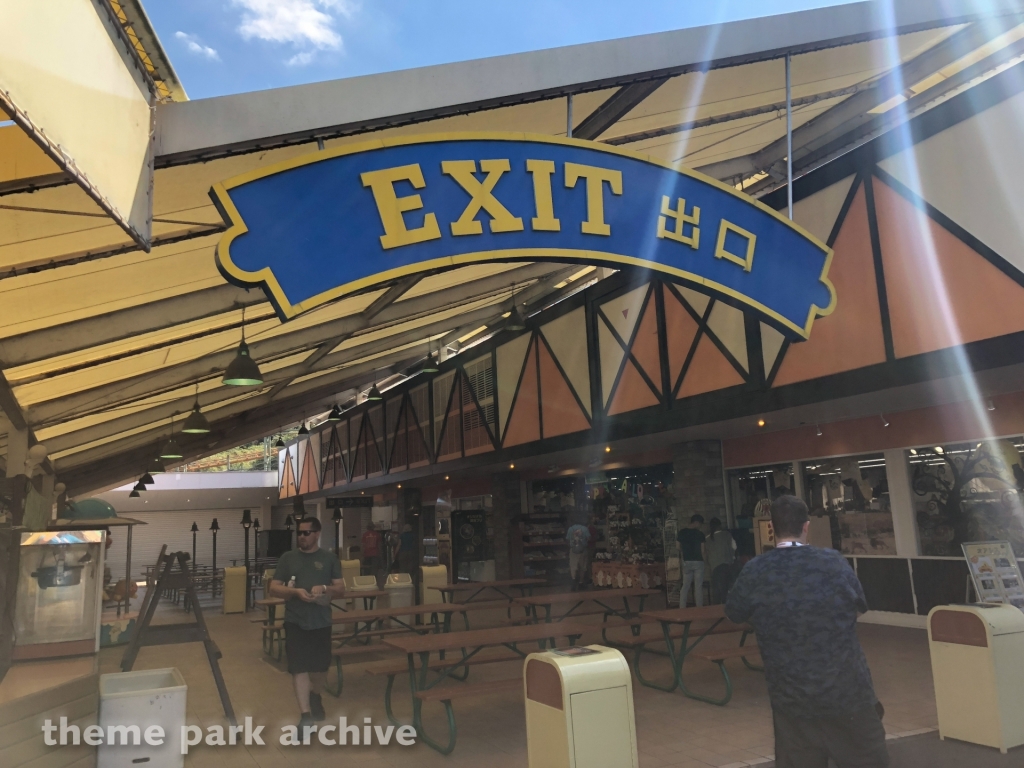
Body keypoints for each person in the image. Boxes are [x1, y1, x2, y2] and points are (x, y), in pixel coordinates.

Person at [726, 495, 888, 768]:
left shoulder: (755, 571)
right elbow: (860, 605)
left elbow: (734, 612)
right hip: (848, 694)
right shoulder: (833, 562)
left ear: (772, 528)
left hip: (791, 701)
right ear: (806, 526)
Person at [269, 517, 345, 731]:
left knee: (320, 669)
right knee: (298, 668)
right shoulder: (287, 558)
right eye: (299, 533)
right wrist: (294, 592)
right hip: (295, 621)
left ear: (317, 533)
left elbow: (340, 589)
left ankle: (315, 694)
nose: (301, 537)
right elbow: (274, 588)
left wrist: (325, 588)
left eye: (306, 533)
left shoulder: (329, 559)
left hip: (321, 622)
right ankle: (305, 716)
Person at [677, 514, 706, 607]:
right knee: (698, 587)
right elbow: (703, 550)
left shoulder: (681, 532)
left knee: (685, 586)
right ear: (697, 523)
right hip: (698, 561)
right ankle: (699, 608)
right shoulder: (700, 534)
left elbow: (677, 547)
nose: (700, 526)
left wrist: (683, 553)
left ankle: (682, 607)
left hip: (686, 561)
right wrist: (705, 560)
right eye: (700, 524)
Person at [706, 517, 737, 604]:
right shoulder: (726, 534)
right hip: (728, 565)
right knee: (726, 590)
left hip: (715, 567)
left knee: (717, 592)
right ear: (720, 525)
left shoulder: (707, 539)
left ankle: (716, 613)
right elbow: (734, 547)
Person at [566, 517, 591, 590]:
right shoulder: (585, 528)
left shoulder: (570, 529)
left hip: (573, 550)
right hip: (583, 550)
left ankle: (573, 581)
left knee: (573, 566)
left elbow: (567, 539)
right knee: (582, 567)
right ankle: (581, 583)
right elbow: (589, 538)